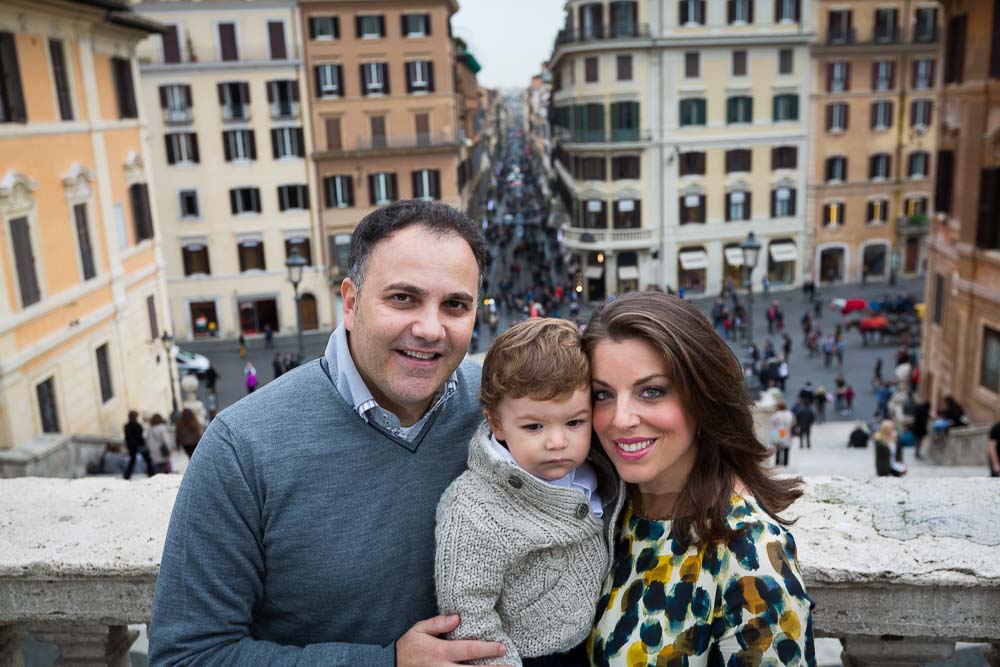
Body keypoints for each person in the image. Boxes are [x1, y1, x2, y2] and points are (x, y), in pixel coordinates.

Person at [149, 200, 508, 665]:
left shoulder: (501, 413)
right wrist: (385, 663)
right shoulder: (241, 447)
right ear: (352, 303)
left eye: (455, 305)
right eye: (403, 298)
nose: (430, 328)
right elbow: (186, 656)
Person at [582, 292, 814, 663]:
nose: (620, 418)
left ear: (702, 397)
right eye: (603, 394)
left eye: (651, 391)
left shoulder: (749, 552)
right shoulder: (603, 508)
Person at [435, 319, 623, 667]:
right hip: (528, 657)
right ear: (497, 423)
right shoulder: (473, 508)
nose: (557, 442)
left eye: (574, 422)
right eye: (534, 426)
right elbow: (469, 618)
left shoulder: (600, 470)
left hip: (596, 644)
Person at [122, 410, 154, 479]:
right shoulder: (137, 425)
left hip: (131, 446)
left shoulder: (126, 426)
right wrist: (143, 444)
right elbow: (140, 436)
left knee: (132, 461)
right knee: (147, 460)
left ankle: (127, 475)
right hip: (139, 445)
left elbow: (127, 438)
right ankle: (151, 473)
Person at [770, 398, 794, 466]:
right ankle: (786, 462)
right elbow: (792, 422)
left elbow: (772, 422)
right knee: (786, 447)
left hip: (778, 432)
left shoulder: (776, 414)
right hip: (786, 431)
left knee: (778, 447)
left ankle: (777, 461)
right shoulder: (789, 413)